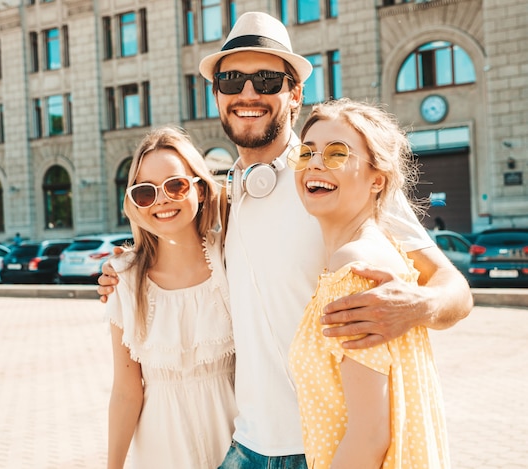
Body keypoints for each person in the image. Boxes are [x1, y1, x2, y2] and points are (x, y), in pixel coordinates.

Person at [100, 12, 472, 468]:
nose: (248, 94)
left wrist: (417, 306)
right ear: (217, 95)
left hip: (324, 447)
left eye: (267, 79)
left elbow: (456, 290)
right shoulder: (225, 198)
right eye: (232, 80)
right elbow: (169, 231)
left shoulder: (337, 180)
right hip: (248, 445)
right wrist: (124, 270)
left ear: (294, 93)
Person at [288, 99, 450, 468]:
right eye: (307, 152)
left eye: (336, 154)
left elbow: (370, 435)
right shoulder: (381, 250)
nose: (315, 163)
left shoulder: (356, 266)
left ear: (377, 180)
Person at [104, 127, 236, 469]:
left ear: (201, 190)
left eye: (175, 185)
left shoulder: (231, 261)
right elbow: (125, 391)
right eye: (146, 192)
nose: (162, 200)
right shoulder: (125, 279)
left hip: (240, 441)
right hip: (162, 449)